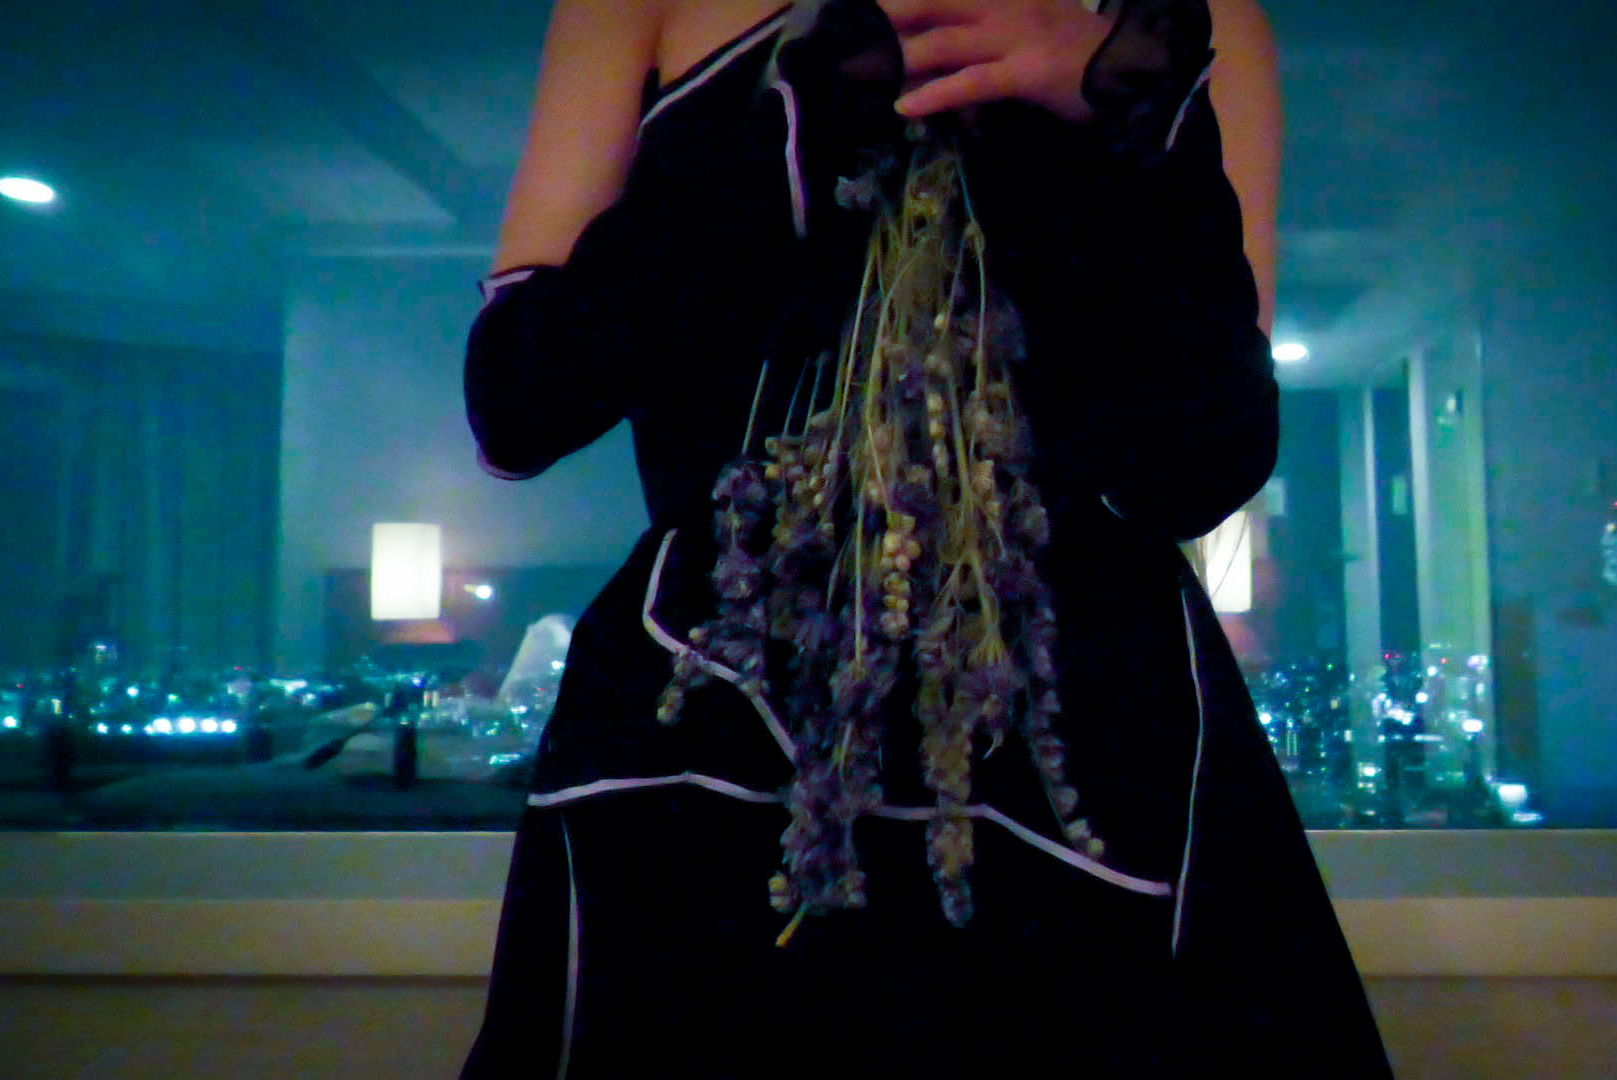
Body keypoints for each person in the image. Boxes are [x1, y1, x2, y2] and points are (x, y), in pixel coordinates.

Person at [460, 1, 1391, 1074]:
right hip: (707, 740)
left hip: (1088, 752)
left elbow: (1201, 460)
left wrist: (1108, 119)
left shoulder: (1180, 18)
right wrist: (790, 130)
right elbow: (518, 404)